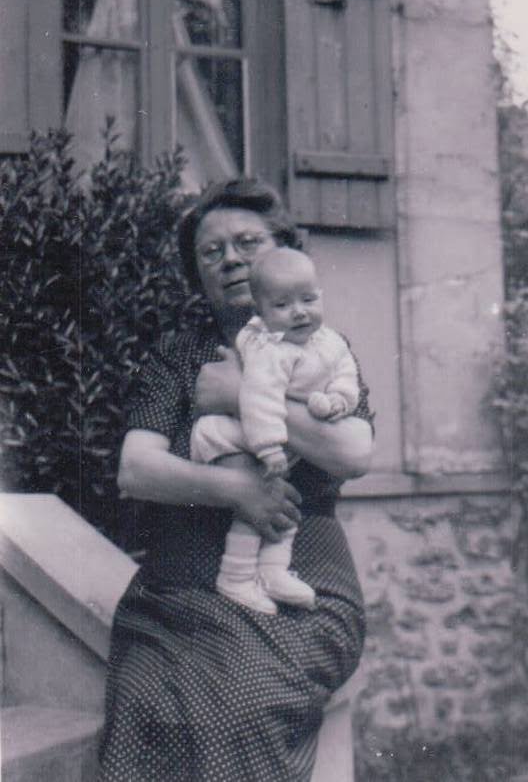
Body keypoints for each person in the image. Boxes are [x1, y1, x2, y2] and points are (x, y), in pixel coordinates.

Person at [97, 178, 373, 782]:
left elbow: (354, 453)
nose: (230, 260)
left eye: (247, 242)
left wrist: (240, 394)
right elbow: (135, 468)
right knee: (142, 707)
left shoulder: (323, 350)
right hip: (178, 589)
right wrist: (235, 490)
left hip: (299, 579)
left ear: (285, 249)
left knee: (243, 703)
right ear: (198, 276)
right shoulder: (177, 357)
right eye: (211, 252)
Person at [190, 247, 361, 615]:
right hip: (235, 434)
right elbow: (258, 400)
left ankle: (272, 571)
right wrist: (268, 448)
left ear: (320, 296)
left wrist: (338, 400)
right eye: (282, 305)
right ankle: (235, 578)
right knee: (260, 497)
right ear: (262, 313)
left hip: (273, 439)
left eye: (308, 299)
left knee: (284, 498)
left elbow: (346, 373)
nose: (299, 311)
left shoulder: (328, 341)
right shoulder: (271, 350)